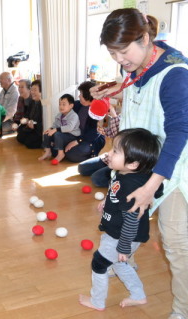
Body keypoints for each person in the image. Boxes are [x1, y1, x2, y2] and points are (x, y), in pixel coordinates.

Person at [90, 9, 188, 319]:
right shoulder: (133, 68)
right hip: (137, 167)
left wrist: (152, 186)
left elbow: (180, 132)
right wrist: (112, 94)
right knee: (122, 231)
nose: (119, 59)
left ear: (146, 38)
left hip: (170, 172)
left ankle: (182, 310)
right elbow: (142, 104)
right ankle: (136, 287)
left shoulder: (176, 74)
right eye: (113, 53)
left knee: (175, 245)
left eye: (123, 51)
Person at [79, 128, 164, 311]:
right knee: (118, 264)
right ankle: (138, 296)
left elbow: (132, 218)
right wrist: (108, 202)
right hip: (122, 234)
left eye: (115, 151)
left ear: (133, 164)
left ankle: (97, 301)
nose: (109, 154)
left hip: (122, 236)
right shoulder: (125, 174)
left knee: (99, 263)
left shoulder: (131, 185)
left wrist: (124, 246)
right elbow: (118, 195)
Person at [64, 81, 106, 162]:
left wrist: (77, 141)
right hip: (78, 135)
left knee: (72, 154)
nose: (79, 96)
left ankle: (92, 157)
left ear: (87, 95)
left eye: (81, 94)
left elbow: (93, 133)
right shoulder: (77, 104)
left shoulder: (97, 109)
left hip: (91, 139)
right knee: (57, 146)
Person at [38, 94, 80, 162]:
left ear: (71, 105)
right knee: (47, 133)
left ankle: (60, 154)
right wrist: (51, 129)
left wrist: (56, 130)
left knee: (57, 134)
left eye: (64, 104)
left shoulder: (74, 116)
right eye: (60, 104)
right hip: (63, 134)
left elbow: (69, 128)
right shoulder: (59, 115)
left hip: (72, 135)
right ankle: (48, 152)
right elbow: (55, 125)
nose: (61, 106)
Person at [16, 79, 43, 148]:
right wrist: (26, 119)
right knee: (20, 137)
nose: (32, 92)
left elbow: (43, 122)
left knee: (29, 143)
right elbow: (27, 114)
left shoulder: (44, 104)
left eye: (35, 90)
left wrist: (35, 126)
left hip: (39, 129)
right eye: (31, 90)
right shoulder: (32, 102)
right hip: (31, 126)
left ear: (41, 91)